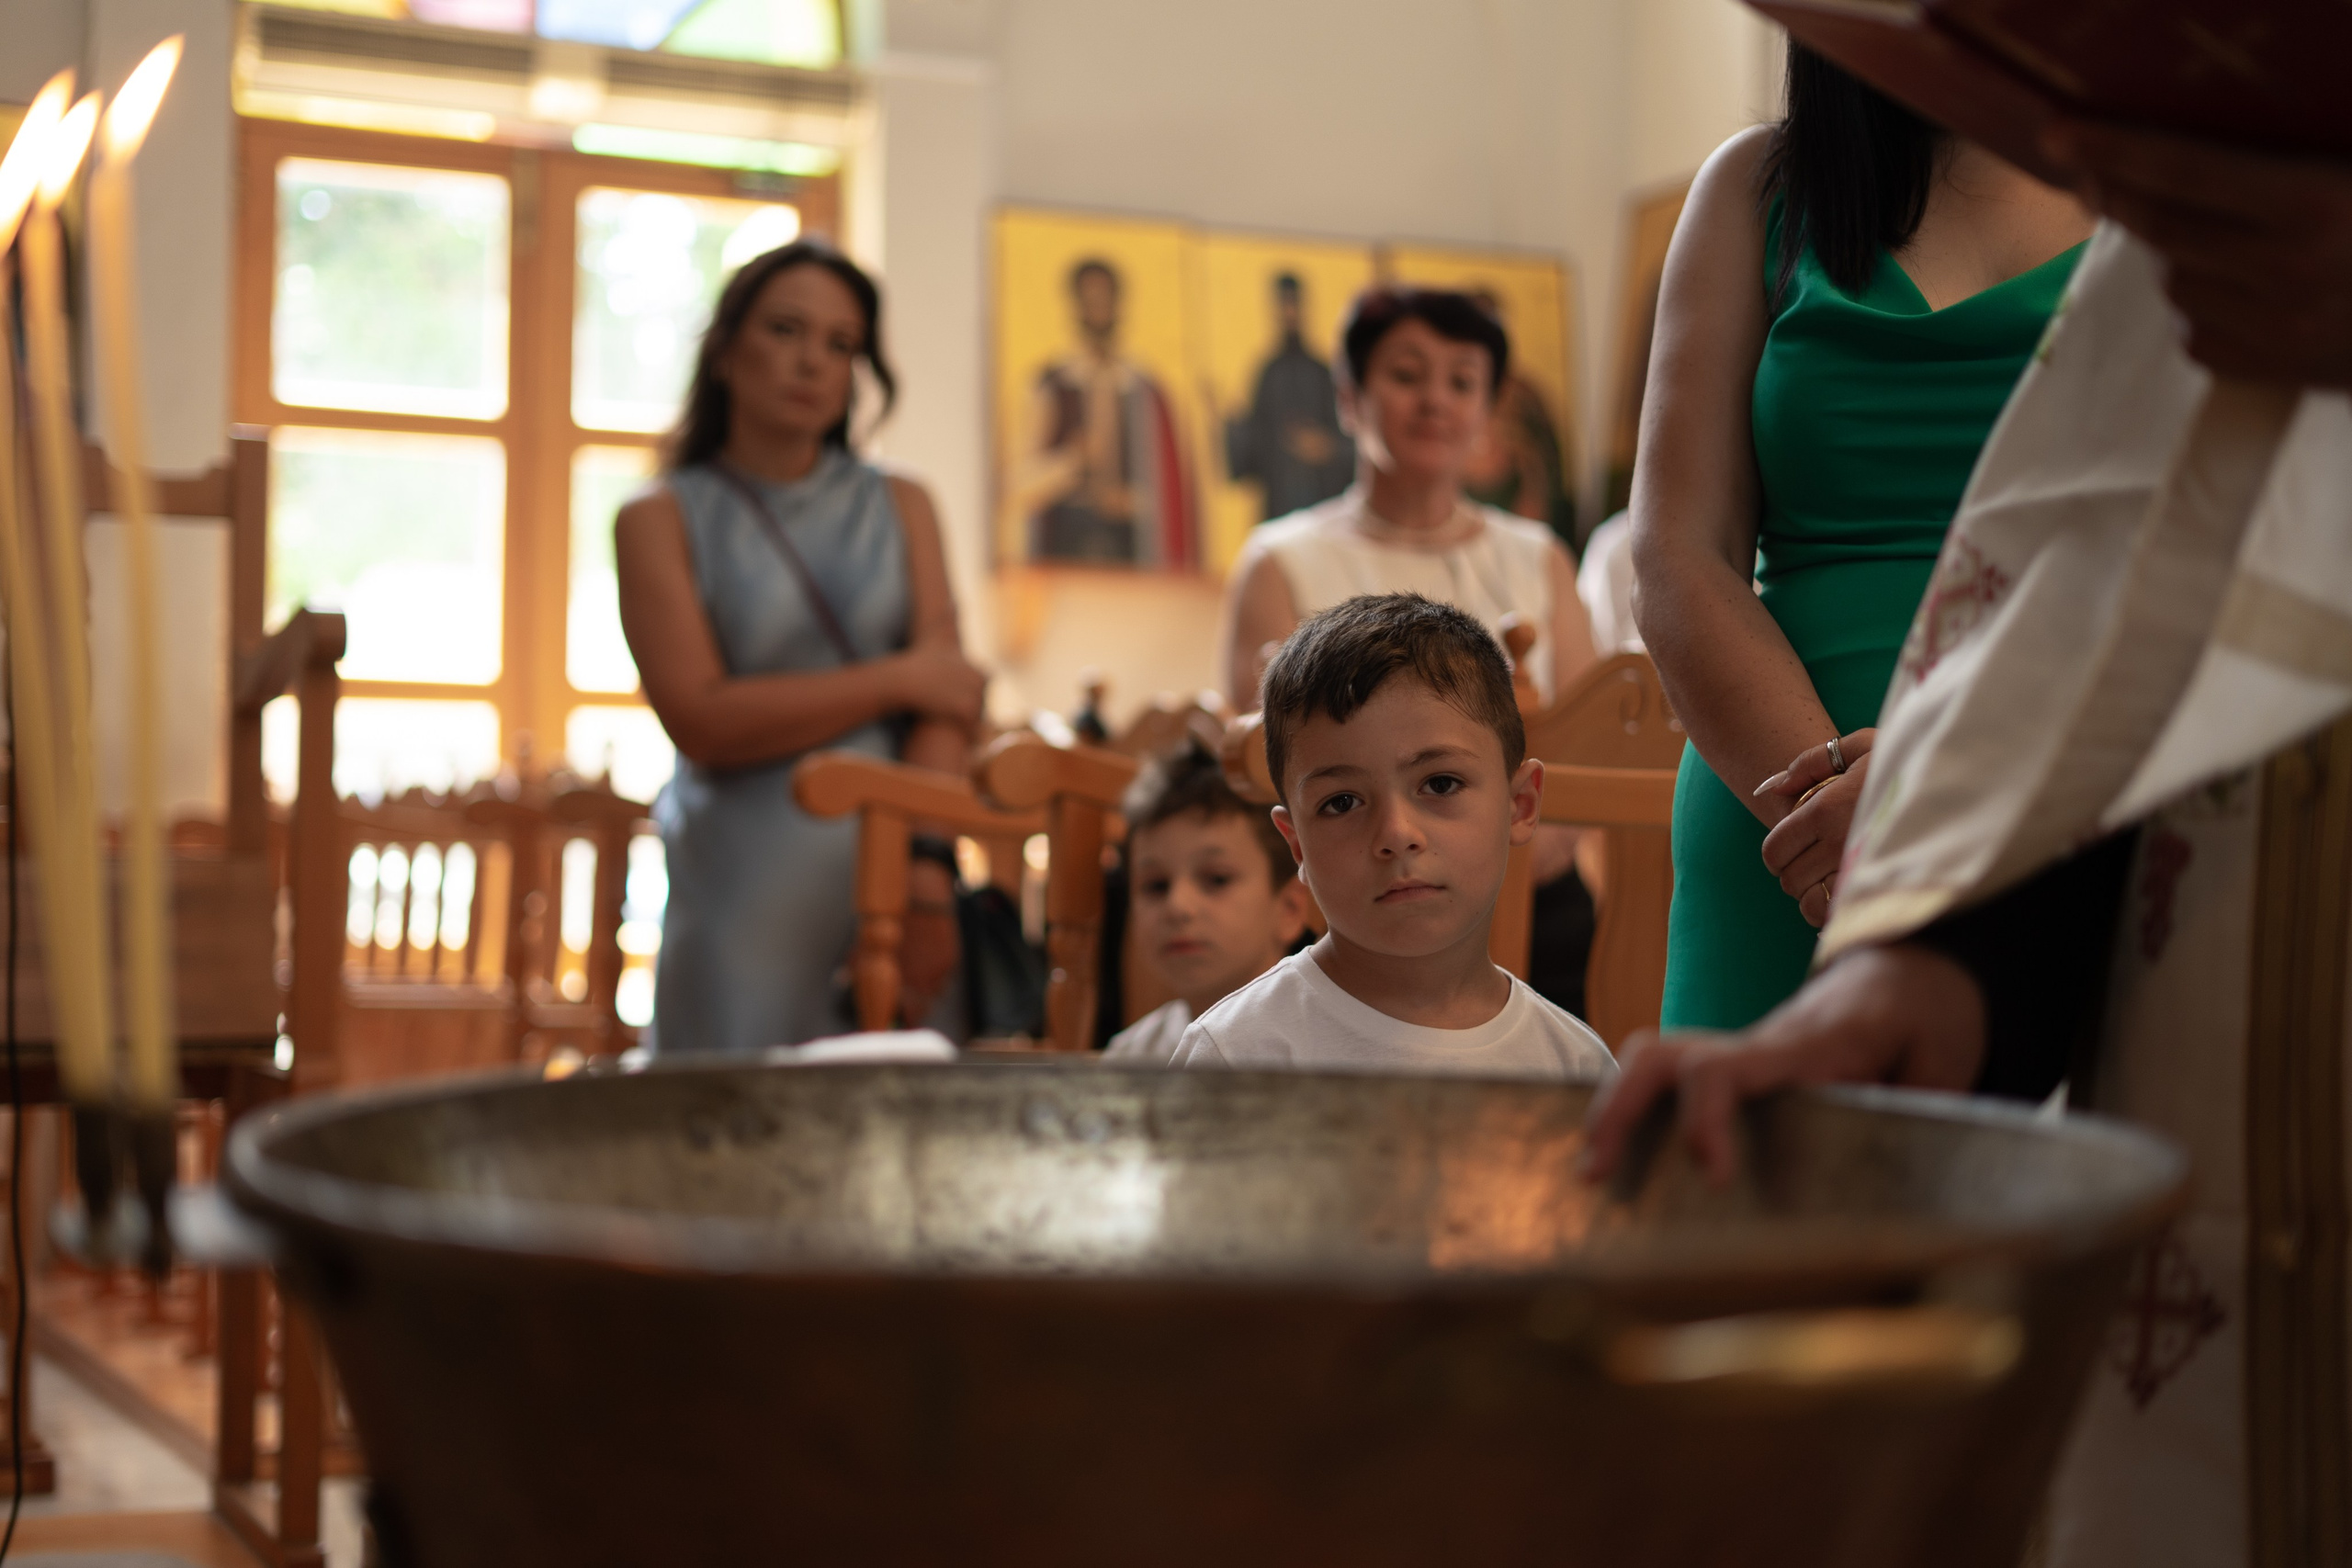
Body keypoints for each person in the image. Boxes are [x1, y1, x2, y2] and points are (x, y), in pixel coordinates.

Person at [1586, 118, 2352, 1568]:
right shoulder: (1782, 190)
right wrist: (1928, 916)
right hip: (1877, 821)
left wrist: (1942, 800)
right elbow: (2115, 561)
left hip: (2061, 788)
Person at [1634, 45, 2095, 1032]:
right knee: (1754, 1176)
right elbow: (1679, 555)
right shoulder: (1758, 190)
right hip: (1786, 828)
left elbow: (2201, 558)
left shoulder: (2166, 204)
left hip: (2064, 813)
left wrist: (1947, 793)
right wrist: (1848, 827)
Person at [616, 240, 986, 1055]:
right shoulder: (658, 516)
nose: (812, 362)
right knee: (725, 1126)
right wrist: (896, 678)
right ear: (725, 345)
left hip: (896, 881)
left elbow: (950, 698)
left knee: (900, 1136)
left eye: (840, 344)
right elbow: (702, 718)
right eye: (786, 330)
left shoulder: (904, 502)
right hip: (742, 881)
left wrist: (926, 873)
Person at [1221, 286, 1601, 1014]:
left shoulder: (1539, 556)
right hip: (1358, 900)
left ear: (1489, 410)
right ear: (1350, 398)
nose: (1435, 400)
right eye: (1406, 375)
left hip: (1540, 889)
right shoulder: (1279, 560)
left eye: (1461, 381)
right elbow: (1267, 762)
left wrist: (1518, 851)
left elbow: (1589, 740)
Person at [1171, 594, 1614, 1079]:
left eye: (1440, 784)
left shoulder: (1575, 1068)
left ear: (1520, 805)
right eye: (1341, 803)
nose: (1397, 834)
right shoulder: (1235, 1058)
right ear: (1295, 842)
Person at [1102, 739, 1314, 1066]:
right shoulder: (1130, 1059)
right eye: (1156, 886)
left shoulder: (1321, 1049)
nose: (1178, 906)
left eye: (1216, 879)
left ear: (1289, 909)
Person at [1007, 257, 1198, 570]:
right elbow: (1019, 483)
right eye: (1090, 299)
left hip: (1130, 545)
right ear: (1076, 305)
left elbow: (1170, 496)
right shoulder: (1052, 385)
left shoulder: (1144, 390)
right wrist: (1072, 460)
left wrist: (1132, 502)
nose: (1098, 308)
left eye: (1105, 299)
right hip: (1066, 542)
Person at [1221, 272, 1353, 523]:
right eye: (1283, 305)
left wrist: (1327, 448)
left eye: (1294, 304)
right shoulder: (1268, 374)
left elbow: (1353, 444)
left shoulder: (1322, 373)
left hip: (1324, 501)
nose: (1289, 312)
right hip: (1280, 504)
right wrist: (1233, 426)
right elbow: (1254, 450)